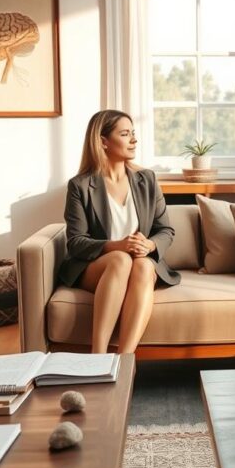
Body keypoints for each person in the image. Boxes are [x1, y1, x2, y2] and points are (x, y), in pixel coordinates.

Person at [58, 110, 180, 354]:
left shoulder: (147, 180)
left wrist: (150, 245)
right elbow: (76, 242)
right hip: (99, 266)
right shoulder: (80, 186)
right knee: (120, 259)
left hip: (140, 264)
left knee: (144, 265)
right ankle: (98, 357)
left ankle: (125, 361)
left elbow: (165, 229)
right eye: (125, 134)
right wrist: (117, 246)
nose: (134, 140)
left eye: (133, 133)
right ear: (103, 141)